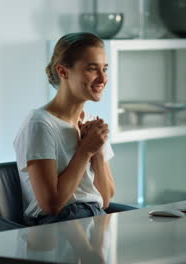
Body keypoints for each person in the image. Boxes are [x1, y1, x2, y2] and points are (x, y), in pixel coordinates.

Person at [14, 32, 115, 225]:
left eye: (105, 69)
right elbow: (51, 205)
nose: (102, 78)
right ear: (63, 72)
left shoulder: (93, 126)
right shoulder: (40, 124)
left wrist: (98, 154)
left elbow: (106, 199)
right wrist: (85, 151)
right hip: (58, 224)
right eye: (92, 69)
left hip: (94, 217)